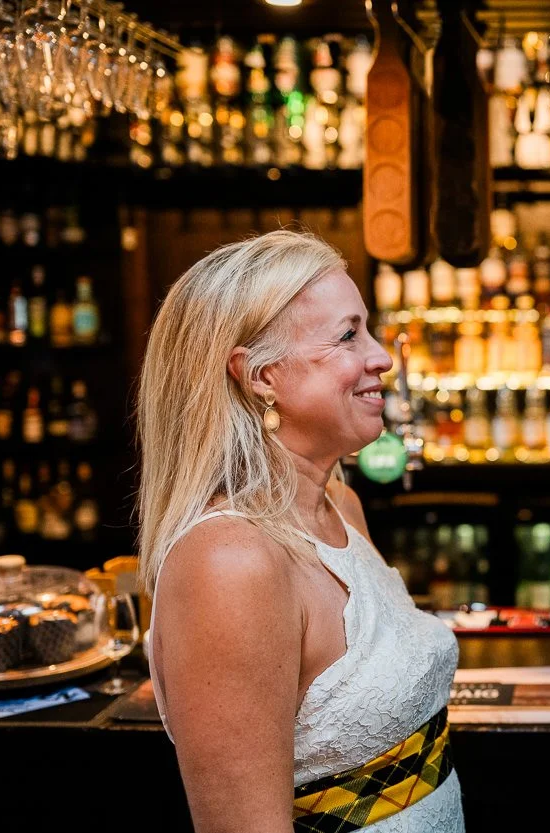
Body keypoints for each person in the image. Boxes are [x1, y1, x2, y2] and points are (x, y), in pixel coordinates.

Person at [138, 230, 463, 833]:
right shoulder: (230, 561)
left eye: (367, 328)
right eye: (347, 336)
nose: (380, 357)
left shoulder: (341, 506)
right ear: (258, 376)